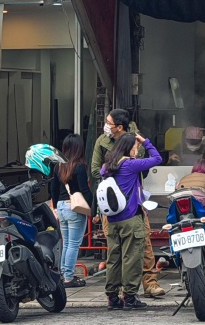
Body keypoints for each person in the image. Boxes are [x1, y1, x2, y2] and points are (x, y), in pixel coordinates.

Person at [91, 109, 166, 298]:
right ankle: (126, 292)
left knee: (144, 246)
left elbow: (145, 168)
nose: (106, 125)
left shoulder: (135, 139)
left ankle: (149, 283)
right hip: (112, 205)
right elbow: (94, 171)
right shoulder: (102, 142)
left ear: (120, 127)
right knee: (119, 253)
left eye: (109, 122)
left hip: (135, 202)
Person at [100, 131, 162, 310]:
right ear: (128, 148)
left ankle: (112, 297)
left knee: (114, 259)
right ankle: (130, 296)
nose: (137, 150)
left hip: (112, 220)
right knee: (132, 259)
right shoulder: (130, 165)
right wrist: (146, 141)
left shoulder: (107, 166)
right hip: (130, 218)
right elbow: (157, 158)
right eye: (135, 147)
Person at [49, 134, 92, 288]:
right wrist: (94, 209)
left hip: (61, 206)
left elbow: (53, 188)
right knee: (74, 244)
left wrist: (54, 207)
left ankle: (63, 274)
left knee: (66, 243)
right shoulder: (79, 166)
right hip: (73, 207)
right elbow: (84, 190)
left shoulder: (58, 166)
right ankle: (68, 277)